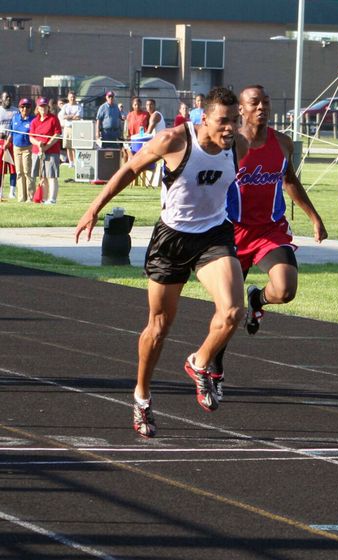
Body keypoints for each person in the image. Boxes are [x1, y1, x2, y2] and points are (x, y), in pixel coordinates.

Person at [75, 87, 249, 438]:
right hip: (171, 240)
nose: (230, 128)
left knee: (233, 312)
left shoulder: (238, 146)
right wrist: (94, 208)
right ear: (204, 118)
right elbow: (130, 169)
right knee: (158, 327)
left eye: (235, 120)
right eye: (223, 121)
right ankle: (141, 396)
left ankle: (200, 362)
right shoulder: (173, 141)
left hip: (214, 236)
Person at [211, 84, 328, 399]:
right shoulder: (228, 145)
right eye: (254, 102)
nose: (262, 107)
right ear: (241, 109)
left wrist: (315, 218)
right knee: (228, 311)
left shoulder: (283, 143)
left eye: (265, 101)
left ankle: (258, 300)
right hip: (232, 233)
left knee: (286, 289)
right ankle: (215, 368)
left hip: (269, 231)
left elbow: (289, 180)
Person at [29, 97, 62, 204]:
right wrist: (38, 144)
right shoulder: (34, 121)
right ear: (37, 108)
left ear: (48, 107)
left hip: (52, 151)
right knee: (43, 176)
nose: (43, 108)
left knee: (51, 175)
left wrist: (46, 146)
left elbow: (57, 134)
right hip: (37, 151)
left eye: (45, 106)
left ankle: (52, 199)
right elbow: (31, 137)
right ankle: (44, 198)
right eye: (41, 106)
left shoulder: (54, 119)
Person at [9, 98, 35, 202]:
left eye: (27, 107)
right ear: (19, 108)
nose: (25, 109)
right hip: (16, 148)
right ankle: (21, 197)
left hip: (28, 148)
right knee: (19, 172)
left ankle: (30, 197)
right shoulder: (15, 118)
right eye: (22, 107)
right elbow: (11, 132)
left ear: (30, 108)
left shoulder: (33, 119)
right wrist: (7, 143)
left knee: (27, 172)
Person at [0, 91, 18, 199]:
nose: (8, 99)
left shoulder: (16, 111)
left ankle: (12, 191)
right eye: (6, 97)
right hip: (1, 142)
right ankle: (0, 191)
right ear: (1, 99)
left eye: (10, 97)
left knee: (13, 168)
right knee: (0, 169)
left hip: (12, 142)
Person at [57, 90, 83, 168]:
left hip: (76, 128)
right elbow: (63, 116)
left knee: (75, 146)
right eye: (71, 97)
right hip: (67, 128)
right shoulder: (65, 106)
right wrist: (72, 116)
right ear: (68, 98)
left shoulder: (79, 107)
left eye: (74, 97)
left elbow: (78, 117)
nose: (72, 98)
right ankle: (71, 162)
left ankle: (75, 162)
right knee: (68, 146)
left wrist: (68, 116)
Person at [123, 97, 150, 161]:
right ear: (132, 106)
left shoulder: (146, 115)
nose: (137, 106)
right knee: (129, 156)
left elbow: (149, 128)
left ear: (141, 105)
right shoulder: (129, 115)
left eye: (139, 104)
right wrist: (127, 138)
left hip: (142, 141)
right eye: (135, 105)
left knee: (141, 160)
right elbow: (127, 129)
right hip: (132, 140)